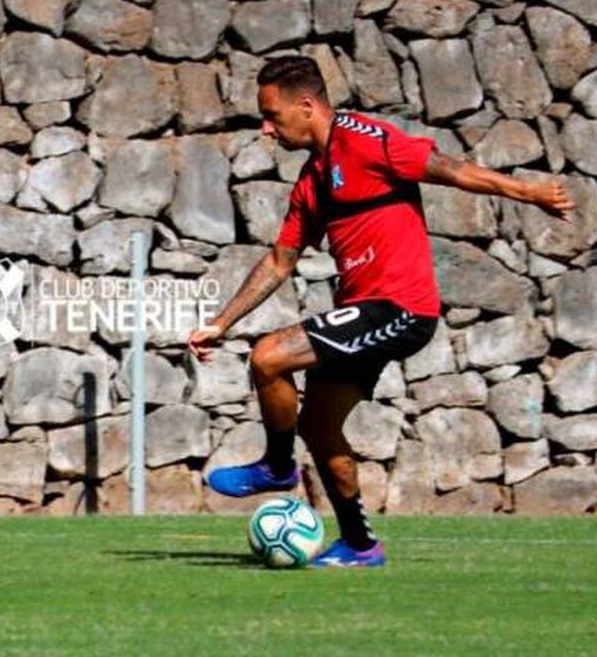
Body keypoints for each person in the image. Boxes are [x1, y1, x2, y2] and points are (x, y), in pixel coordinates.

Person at [187, 56, 574, 568]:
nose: (266, 129)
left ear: (307, 107)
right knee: (319, 427)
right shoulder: (311, 181)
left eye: (272, 115)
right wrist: (221, 322)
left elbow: (450, 169)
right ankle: (359, 544)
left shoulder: (364, 139)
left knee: (268, 356)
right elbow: (280, 261)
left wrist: (528, 192)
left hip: (400, 307)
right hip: (364, 312)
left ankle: (278, 467)